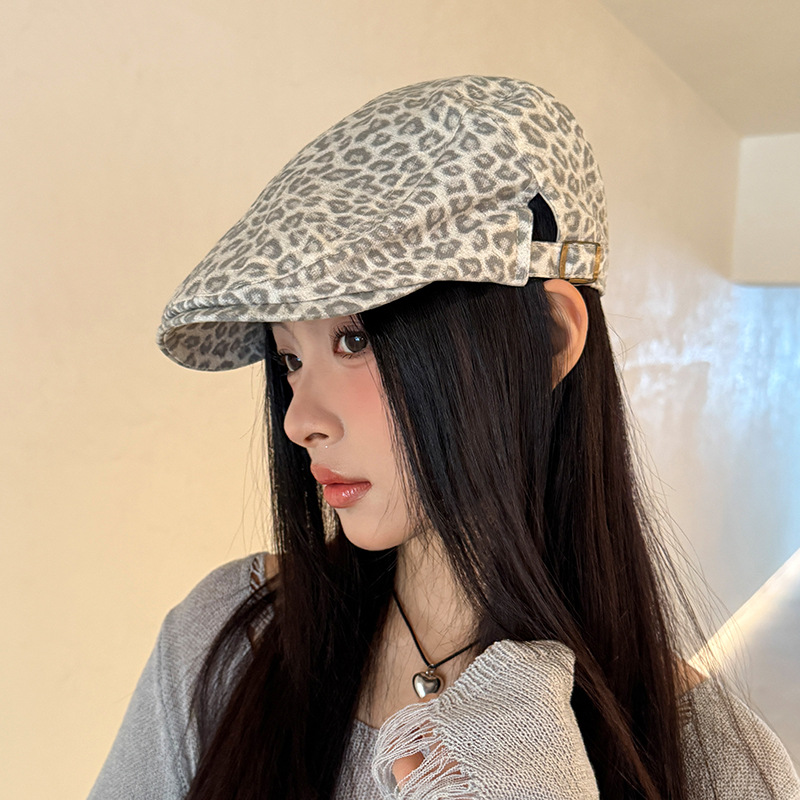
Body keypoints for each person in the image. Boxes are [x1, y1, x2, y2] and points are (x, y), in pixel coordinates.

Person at [88, 76, 800, 800]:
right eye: (290, 359)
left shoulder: (720, 766)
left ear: (548, 340)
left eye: (355, 339)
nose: (299, 421)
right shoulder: (223, 642)